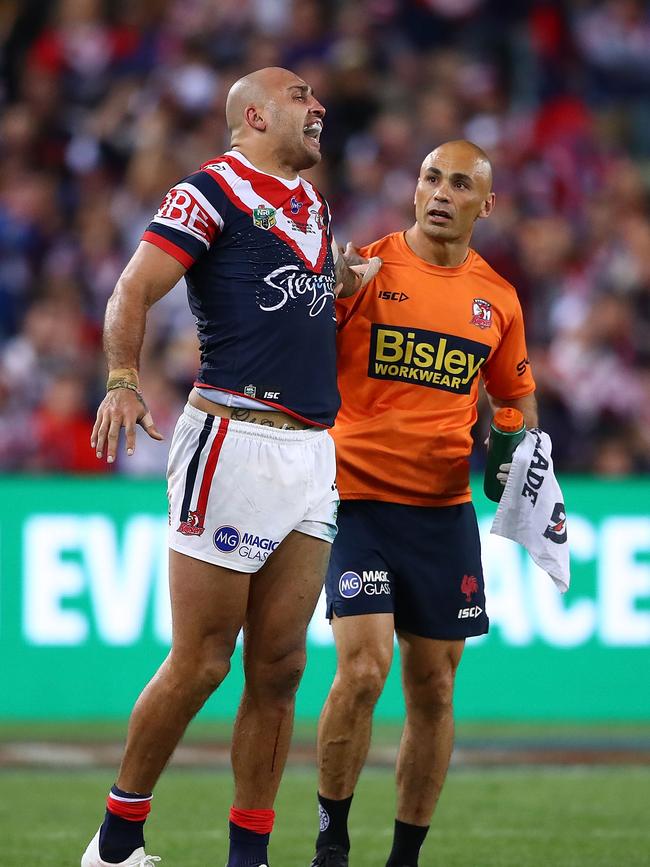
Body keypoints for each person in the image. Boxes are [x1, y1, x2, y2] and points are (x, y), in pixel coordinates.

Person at [81, 66, 378, 867]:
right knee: (205, 658)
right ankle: (115, 841)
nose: (319, 106)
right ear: (252, 114)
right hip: (233, 437)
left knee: (280, 666)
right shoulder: (210, 189)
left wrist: (341, 281)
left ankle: (247, 856)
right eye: (299, 95)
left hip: (314, 450)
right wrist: (120, 379)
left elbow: (289, 302)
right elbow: (134, 288)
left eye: (318, 96)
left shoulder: (311, 203)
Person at [310, 140, 538, 867]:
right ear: (414, 190)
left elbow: (517, 400)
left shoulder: (497, 298)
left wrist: (514, 452)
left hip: (444, 513)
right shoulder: (363, 270)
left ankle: (403, 858)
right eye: (431, 177)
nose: (442, 192)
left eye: (460, 183)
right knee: (365, 669)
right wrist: (334, 295)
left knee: (434, 687)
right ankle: (331, 843)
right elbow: (295, 353)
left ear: (485, 204)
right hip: (357, 502)